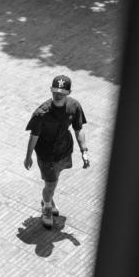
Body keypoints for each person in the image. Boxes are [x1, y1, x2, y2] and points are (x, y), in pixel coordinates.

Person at [23, 74, 89, 229]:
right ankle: (47, 207)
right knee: (51, 184)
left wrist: (84, 151)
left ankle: (48, 199)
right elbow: (34, 136)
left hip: (64, 151)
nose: (58, 94)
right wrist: (28, 156)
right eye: (55, 91)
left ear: (69, 93)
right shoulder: (42, 113)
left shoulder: (74, 106)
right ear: (51, 91)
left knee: (53, 181)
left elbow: (78, 129)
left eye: (62, 92)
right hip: (46, 154)